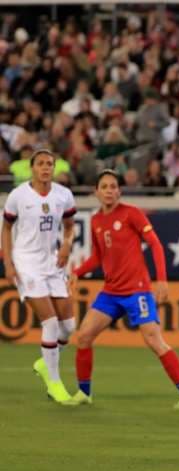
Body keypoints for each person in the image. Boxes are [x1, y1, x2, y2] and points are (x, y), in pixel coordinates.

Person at [66, 170, 179, 409]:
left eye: (113, 186)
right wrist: (77, 271)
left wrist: (161, 280)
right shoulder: (96, 220)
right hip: (110, 292)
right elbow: (98, 256)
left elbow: (155, 245)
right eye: (104, 186)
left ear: (119, 191)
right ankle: (84, 392)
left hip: (137, 291)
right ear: (97, 192)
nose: (109, 190)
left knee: (154, 340)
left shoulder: (131, 213)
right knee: (84, 336)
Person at [2, 149, 77, 403]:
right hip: (26, 262)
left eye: (50, 164)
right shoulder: (18, 196)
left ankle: (46, 363)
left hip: (52, 261)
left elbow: (69, 226)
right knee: (51, 323)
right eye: (41, 164)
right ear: (32, 168)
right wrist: (8, 262)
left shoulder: (63, 195)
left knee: (69, 327)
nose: (46, 168)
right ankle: (55, 384)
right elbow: (7, 227)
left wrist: (67, 244)